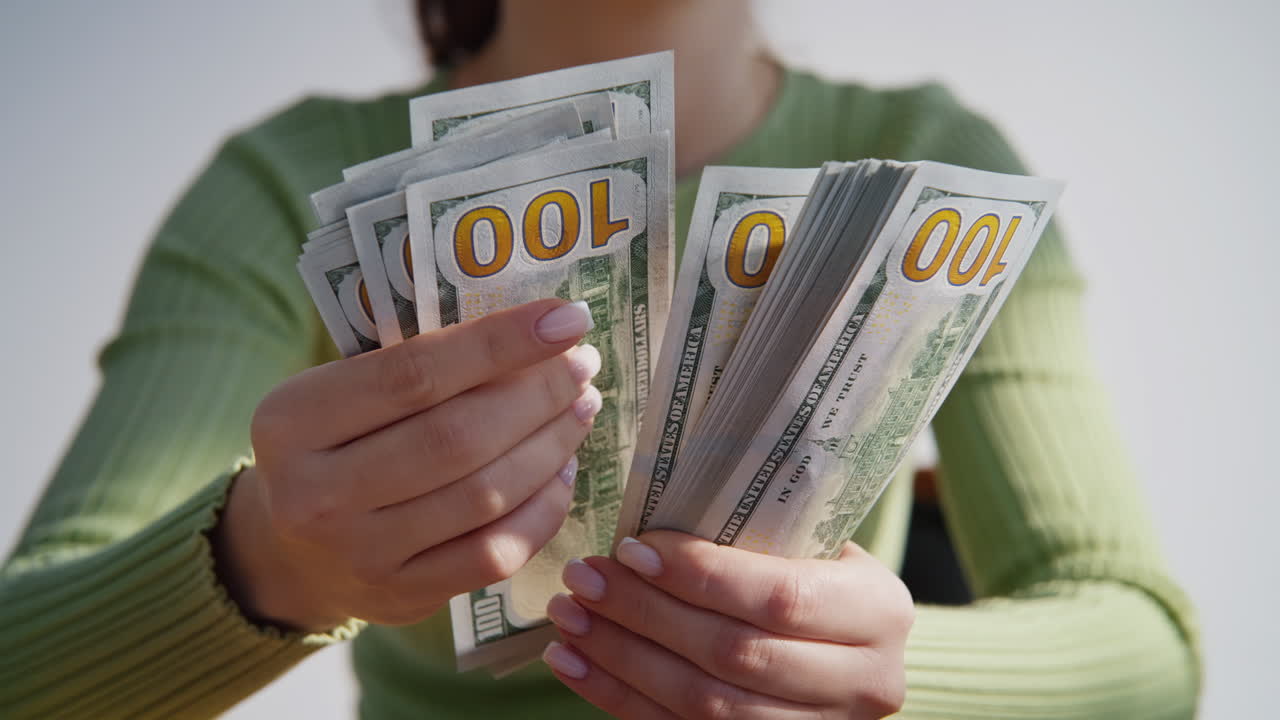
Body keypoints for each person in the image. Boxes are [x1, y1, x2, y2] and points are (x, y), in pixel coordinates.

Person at [0, 1, 1200, 718]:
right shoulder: (276, 188)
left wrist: (891, 671)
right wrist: (267, 562)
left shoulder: (927, 153)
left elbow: (1146, 649)